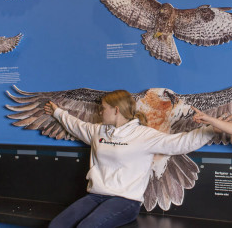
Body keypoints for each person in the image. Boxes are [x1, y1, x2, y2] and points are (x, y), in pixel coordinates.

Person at [44, 90, 217, 228]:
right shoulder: (98, 131)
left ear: (116, 110)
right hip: (95, 196)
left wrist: (212, 129)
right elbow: (75, 125)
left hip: (125, 201)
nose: (100, 112)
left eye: (103, 108)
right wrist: (57, 112)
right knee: (57, 225)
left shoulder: (143, 135)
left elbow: (180, 143)